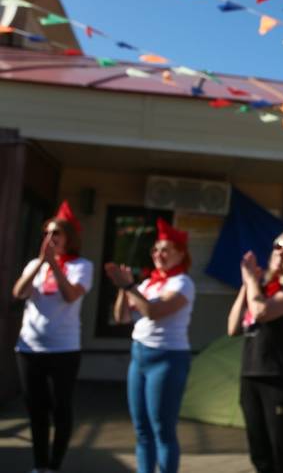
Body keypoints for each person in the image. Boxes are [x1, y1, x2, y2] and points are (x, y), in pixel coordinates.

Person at [226, 212, 283, 473]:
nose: (280, 253)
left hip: (282, 379)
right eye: (277, 247)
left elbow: (262, 312)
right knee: (261, 453)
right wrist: (249, 285)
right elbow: (233, 327)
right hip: (252, 376)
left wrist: (251, 282)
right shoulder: (264, 288)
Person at [104, 218, 195, 473]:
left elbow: (153, 311)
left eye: (165, 249)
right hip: (140, 356)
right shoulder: (148, 283)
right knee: (141, 429)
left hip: (167, 359)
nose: (158, 254)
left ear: (180, 254)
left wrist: (129, 285)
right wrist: (124, 288)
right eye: (156, 249)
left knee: (162, 429)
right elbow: (121, 317)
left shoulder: (183, 283)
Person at [12, 201, 93, 473]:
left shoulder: (82, 266)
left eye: (56, 233)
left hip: (64, 349)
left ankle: (55, 465)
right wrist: (40, 265)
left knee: (61, 408)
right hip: (29, 348)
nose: (50, 238)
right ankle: (40, 465)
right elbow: (19, 292)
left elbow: (71, 295)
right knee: (36, 410)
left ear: (69, 237)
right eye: (47, 233)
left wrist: (55, 266)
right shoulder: (35, 263)